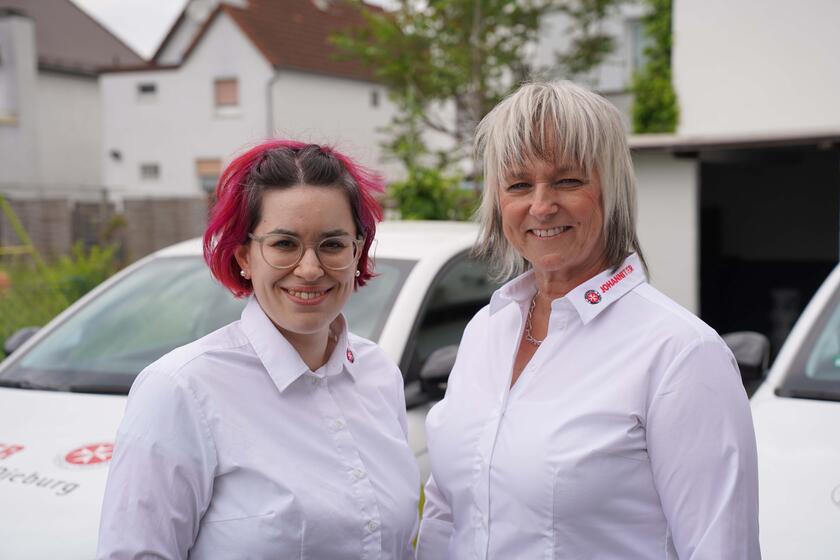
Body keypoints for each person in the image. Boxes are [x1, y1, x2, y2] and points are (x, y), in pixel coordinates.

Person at [416, 81, 760, 559]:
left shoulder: (680, 354)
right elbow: (446, 514)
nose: (540, 206)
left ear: (610, 188)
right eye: (518, 184)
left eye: (568, 181)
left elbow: (721, 548)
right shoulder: (484, 331)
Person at [98, 140, 419, 559]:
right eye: (284, 244)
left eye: (333, 244)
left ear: (357, 251)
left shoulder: (378, 374)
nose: (309, 268)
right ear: (244, 255)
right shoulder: (182, 390)